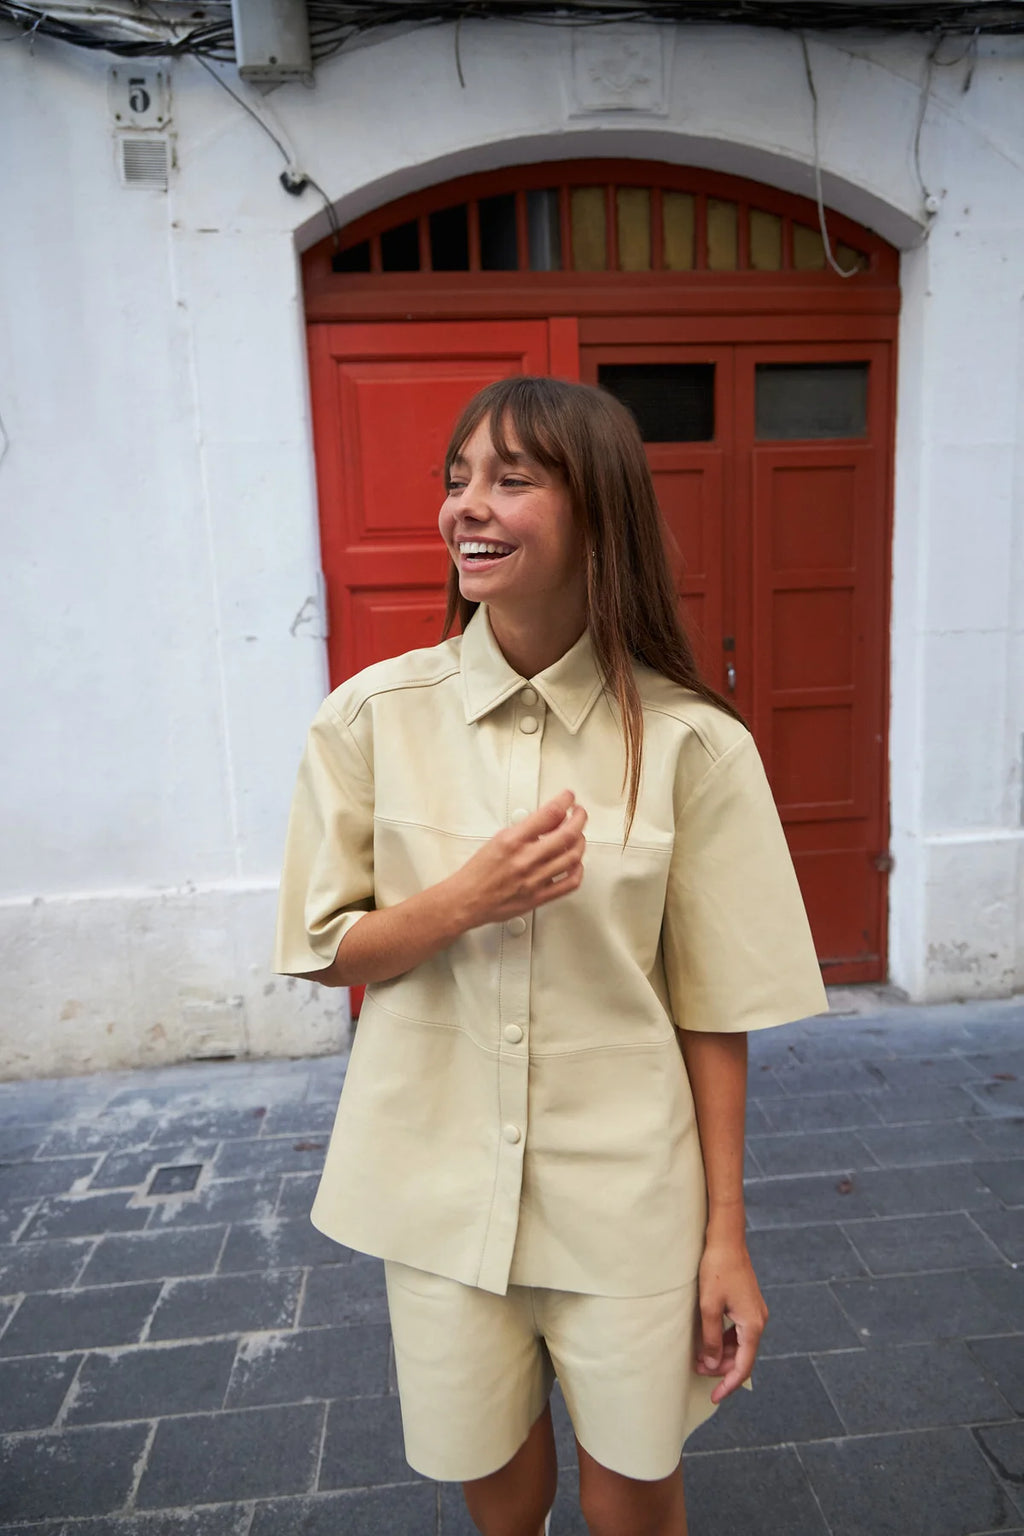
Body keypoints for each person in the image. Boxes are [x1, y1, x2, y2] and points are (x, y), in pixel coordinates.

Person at [272, 375, 828, 1536]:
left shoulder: (692, 748)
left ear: (599, 514)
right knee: (498, 1485)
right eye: (457, 477)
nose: (467, 506)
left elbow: (711, 1010)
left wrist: (724, 1235)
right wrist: (464, 899)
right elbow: (325, 950)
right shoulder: (370, 719)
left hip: (626, 1195)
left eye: (512, 479)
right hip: (433, 1187)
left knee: (635, 1488)